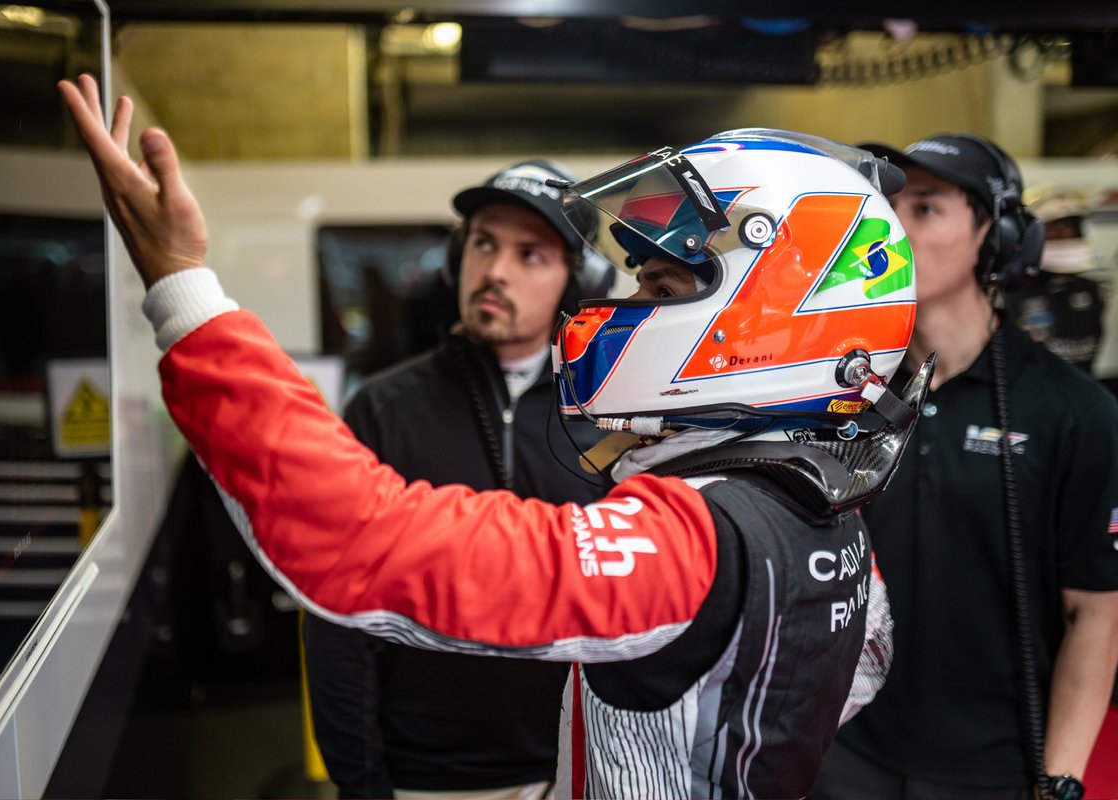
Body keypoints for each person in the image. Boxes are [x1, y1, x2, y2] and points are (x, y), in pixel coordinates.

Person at [60, 74, 921, 799]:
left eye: (660, 288)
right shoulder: (829, 505)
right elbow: (863, 666)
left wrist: (182, 289)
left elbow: (358, 538)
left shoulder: (694, 541)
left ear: (771, 321)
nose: (628, 308)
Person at [811, 133, 1118, 800]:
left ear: (997, 237)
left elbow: (1095, 614)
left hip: (993, 769)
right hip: (839, 752)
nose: (892, 231)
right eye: (884, 210)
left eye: (925, 208)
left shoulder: (1073, 412)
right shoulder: (828, 393)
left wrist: (1060, 776)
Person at [302, 160, 611, 799]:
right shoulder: (383, 411)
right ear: (457, 256)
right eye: (484, 243)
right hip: (424, 775)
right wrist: (362, 784)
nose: (496, 270)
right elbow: (337, 619)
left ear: (576, 282)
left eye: (530, 254)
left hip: (581, 769)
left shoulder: (611, 418)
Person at [1008, 188, 1106, 373]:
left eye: (1069, 227)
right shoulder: (1013, 291)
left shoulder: (1090, 289)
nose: (1064, 233)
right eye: (1054, 227)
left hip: (1080, 383)